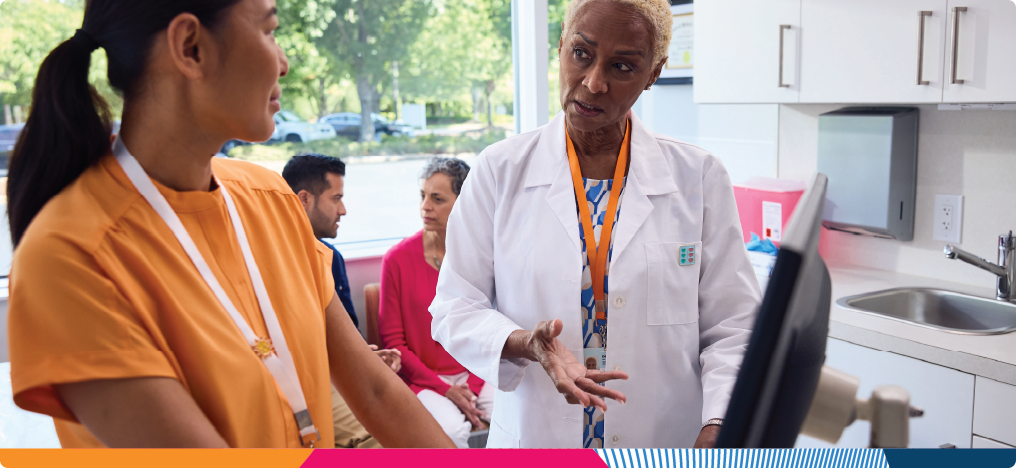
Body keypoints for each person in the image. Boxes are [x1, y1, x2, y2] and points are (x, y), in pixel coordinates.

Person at [5, 0, 452, 448]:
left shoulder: (270, 199)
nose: (284, 63)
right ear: (191, 47)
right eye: (269, 30)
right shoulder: (72, 254)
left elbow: (375, 393)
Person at [429, 0, 761, 449]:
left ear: (654, 73)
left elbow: (733, 325)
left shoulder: (698, 178)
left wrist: (719, 424)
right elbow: (454, 308)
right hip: (537, 437)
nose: (593, 82)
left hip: (662, 441)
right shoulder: (499, 170)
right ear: (561, 45)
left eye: (623, 66)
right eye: (581, 53)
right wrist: (528, 343)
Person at [282, 153, 405, 449]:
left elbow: (347, 331)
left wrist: (368, 356)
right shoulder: (271, 261)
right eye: (336, 198)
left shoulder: (331, 259)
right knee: (379, 439)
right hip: (306, 376)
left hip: (338, 370)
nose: (344, 210)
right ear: (303, 199)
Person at [379, 157, 493, 448]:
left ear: (463, 202)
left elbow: (492, 327)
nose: (424, 207)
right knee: (452, 433)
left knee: (515, 417)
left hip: (479, 371)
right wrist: (446, 388)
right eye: (422, 196)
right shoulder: (397, 259)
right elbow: (394, 343)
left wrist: (472, 386)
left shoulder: (484, 255)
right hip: (422, 380)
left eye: (437, 198)